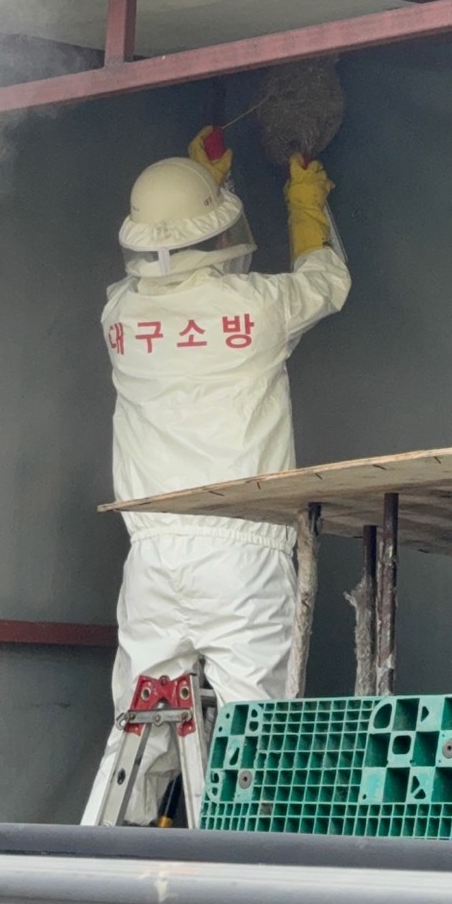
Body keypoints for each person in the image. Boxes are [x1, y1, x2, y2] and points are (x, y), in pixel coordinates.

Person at [81, 125, 351, 824]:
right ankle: (243, 869)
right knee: (255, 736)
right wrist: (304, 202)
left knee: (139, 732)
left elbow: (183, 268)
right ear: (216, 228)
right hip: (241, 547)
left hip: (151, 553)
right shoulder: (257, 307)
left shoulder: (119, 315)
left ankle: (105, 862)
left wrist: (208, 183)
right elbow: (326, 282)